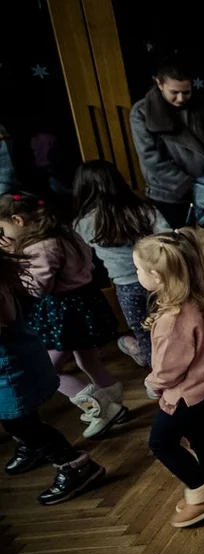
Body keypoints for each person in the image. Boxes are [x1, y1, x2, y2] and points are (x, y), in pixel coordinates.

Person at [0, 193, 127, 440]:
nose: (2, 237)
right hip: (85, 303)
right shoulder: (64, 232)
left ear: (17, 220)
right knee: (88, 361)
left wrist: (13, 266)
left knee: (51, 370)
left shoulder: (40, 246)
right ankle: (115, 405)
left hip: (63, 312)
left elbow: (37, 288)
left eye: (2, 229)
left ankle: (102, 408)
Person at [133, 235, 204, 528]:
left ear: (156, 276)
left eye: (138, 270)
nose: (136, 275)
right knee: (201, 437)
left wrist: (152, 385)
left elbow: (169, 370)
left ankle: (203, 492)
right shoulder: (199, 296)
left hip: (186, 394)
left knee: (162, 443)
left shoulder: (171, 321)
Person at [0, 250, 107, 505]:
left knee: (20, 422)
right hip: (15, 365)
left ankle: (74, 465)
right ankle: (32, 445)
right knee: (20, 418)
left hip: (12, 370)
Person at [72, 160, 172, 368]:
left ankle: (159, 373)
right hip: (159, 280)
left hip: (126, 287)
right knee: (169, 326)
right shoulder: (143, 209)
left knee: (142, 331)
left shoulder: (82, 223)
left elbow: (81, 258)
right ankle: (179, 367)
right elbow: (168, 237)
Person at [130, 60, 204, 228]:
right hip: (169, 193)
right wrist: (187, 185)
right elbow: (151, 159)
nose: (180, 98)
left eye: (186, 92)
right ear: (159, 84)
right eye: (174, 92)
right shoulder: (142, 112)